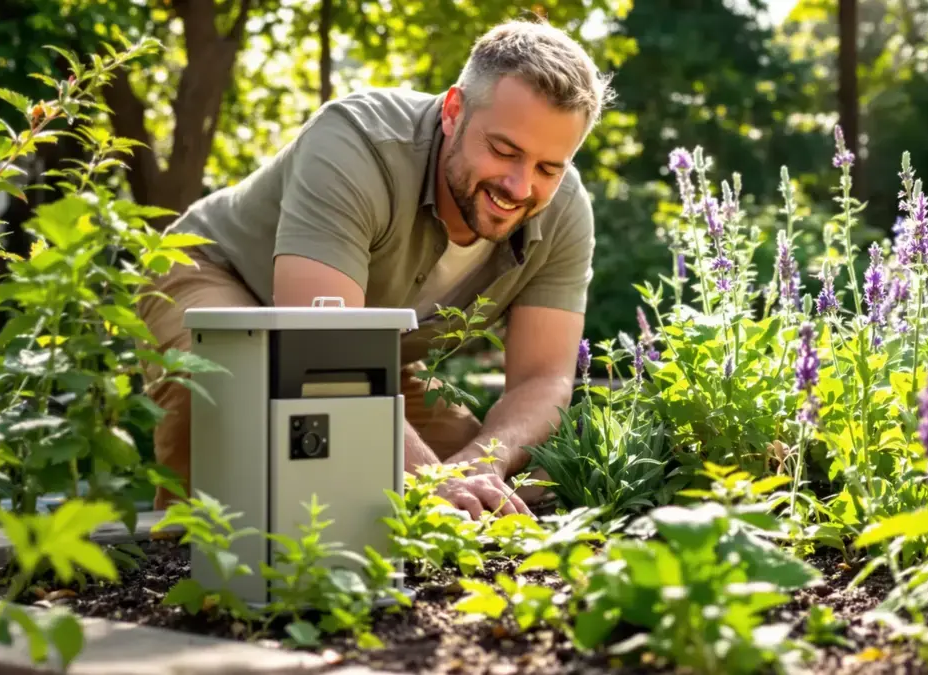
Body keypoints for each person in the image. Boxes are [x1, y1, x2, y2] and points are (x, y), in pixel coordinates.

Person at [136, 18, 613, 520]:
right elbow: (319, 342)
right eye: (503, 151)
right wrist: (432, 483)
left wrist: (477, 465)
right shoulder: (357, 142)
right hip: (218, 276)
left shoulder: (565, 212)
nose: (519, 186)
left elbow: (542, 380)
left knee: (495, 488)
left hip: (357, 345)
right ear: (454, 111)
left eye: (548, 168)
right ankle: (189, 571)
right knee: (225, 400)